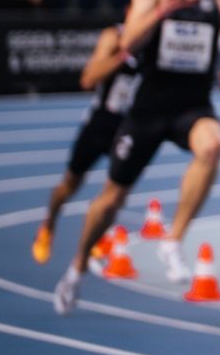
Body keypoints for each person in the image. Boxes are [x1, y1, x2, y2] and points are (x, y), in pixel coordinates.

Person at [52, 0, 220, 314]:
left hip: (194, 103)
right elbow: (128, 44)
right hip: (150, 107)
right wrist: (160, 12)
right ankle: (77, 266)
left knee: (213, 146)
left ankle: (172, 240)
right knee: (112, 199)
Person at [32, 26, 142, 263]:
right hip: (99, 124)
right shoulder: (114, 37)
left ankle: (95, 235)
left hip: (129, 128)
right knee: (70, 184)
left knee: (116, 192)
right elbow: (88, 79)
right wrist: (123, 54)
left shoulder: (155, 39)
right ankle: (48, 224)